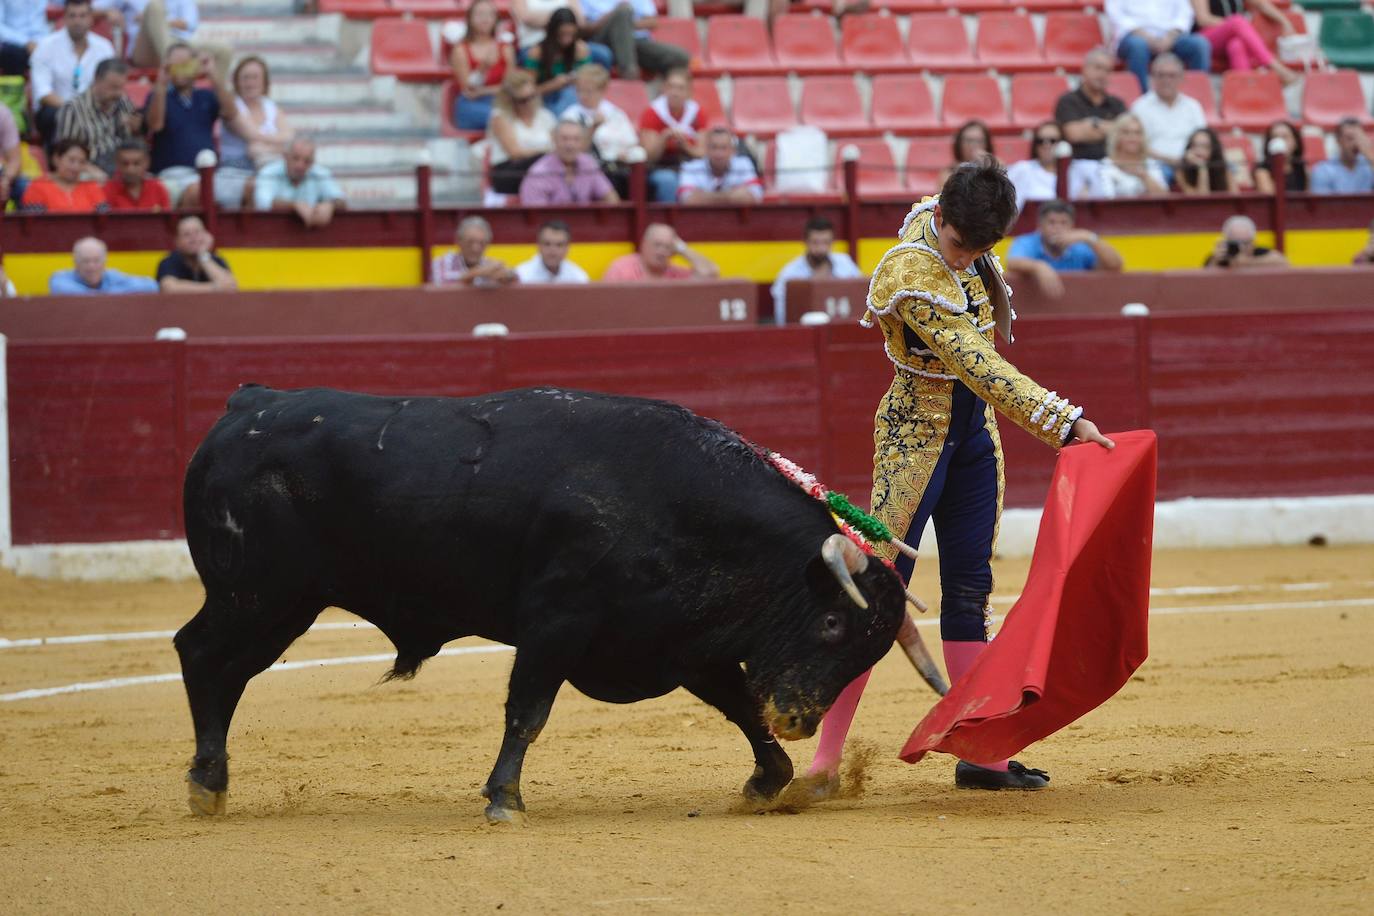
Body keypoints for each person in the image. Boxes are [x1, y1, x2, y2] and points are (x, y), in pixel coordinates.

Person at [793, 160, 1115, 799]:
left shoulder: (954, 218)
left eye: (980, 250)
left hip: (972, 439)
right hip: (915, 437)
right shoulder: (911, 274)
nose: (966, 260)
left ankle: (982, 755)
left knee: (971, 590)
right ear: (939, 219)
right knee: (879, 595)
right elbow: (980, 365)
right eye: (959, 245)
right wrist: (1066, 420)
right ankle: (824, 763)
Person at [144, 42, 240, 208]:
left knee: (243, 189)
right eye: (176, 65)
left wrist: (212, 74)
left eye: (186, 64)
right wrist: (161, 84)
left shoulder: (206, 95)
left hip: (206, 173)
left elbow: (231, 112)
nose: (181, 70)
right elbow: (155, 125)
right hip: (170, 175)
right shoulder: (157, 95)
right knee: (198, 192)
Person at [29, 0, 116, 148]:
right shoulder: (46, 46)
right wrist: (77, 108)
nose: (77, 21)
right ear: (64, 18)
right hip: (59, 107)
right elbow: (43, 93)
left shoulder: (104, 47)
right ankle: (56, 161)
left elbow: (110, 85)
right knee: (53, 114)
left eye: (82, 16)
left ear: (91, 19)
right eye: (72, 16)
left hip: (95, 107)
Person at [1007, 199, 1124, 298]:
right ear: (1040, 226)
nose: (1058, 228)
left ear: (1072, 226)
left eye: (1064, 223)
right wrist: (1038, 267)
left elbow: (1115, 265)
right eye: (1052, 223)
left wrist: (1089, 237)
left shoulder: (1079, 248)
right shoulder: (1027, 242)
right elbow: (1012, 263)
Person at [55, 57, 141, 179]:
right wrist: (89, 168)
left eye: (121, 88)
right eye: (113, 87)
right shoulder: (73, 109)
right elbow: (64, 154)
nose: (118, 93)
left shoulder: (123, 102)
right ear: (97, 80)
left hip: (122, 163)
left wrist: (136, 128)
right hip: (90, 165)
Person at [769, 216, 863, 324]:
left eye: (826, 242)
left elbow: (861, 296)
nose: (821, 249)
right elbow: (782, 318)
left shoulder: (845, 264)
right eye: (815, 242)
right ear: (805, 242)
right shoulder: (790, 274)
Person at [94, 0, 231, 75]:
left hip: (176, 42)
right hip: (143, 49)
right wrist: (108, 12)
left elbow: (189, 24)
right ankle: (175, 64)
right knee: (155, 6)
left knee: (224, 50)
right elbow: (93, 8)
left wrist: (155, 20)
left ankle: (217, 103)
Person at [1107, 0, 1211, 93]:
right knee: (1138, 46)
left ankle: (1197, 98)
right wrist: (1147, 37)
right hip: (1133, 35)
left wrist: (1170, 37)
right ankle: (1141, 99)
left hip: (1171, 36)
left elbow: (1185, 14)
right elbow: (1116, 16)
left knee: (1199, 44)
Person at [1129, 53, 1207, 172]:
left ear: (1181, 78)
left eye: (1171, 76)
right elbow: (1136, 146)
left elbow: (1203, 140)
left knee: (1227, 169)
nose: (1166, 80)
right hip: (1156, 165)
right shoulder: (1140, 107)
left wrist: (1192, 158)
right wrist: (1172, 160)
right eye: (1161, 75)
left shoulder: (1193, 106)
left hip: (1191, 163)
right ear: (1153, 77)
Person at [638, 66, 706, 203]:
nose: (675, 93)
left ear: (689, 92)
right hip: (661, 166)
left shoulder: (697, 113)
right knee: (667, 180)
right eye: (671, 87)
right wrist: (664, 138)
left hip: (689, 165)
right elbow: (648, 158)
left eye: (680, 88)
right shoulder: (652, 113)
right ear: (664, 89)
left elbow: (703, 152)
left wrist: (685, 146)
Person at [1190, 0, 1298, 85]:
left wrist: (1284, 21)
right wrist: (1232, 25)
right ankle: (1274, 66)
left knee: (1237, 45)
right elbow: (1203, 19)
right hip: (1205, 38)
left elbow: (1261, 4)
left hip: (1231, 36)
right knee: (1238, 21)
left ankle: (1245, 91)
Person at [487, 69, 558, 195]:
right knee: (548, 162)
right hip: (510, 171)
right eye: (523, 100)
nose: (529, 103)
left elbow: (558, 146)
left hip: (546, 167)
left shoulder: (546, 116)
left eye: (532, 96)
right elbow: (515, 153)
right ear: (511, 101)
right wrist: (546, 153)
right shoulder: (501, 117)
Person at [579, 0, 689, 82]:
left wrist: (624, 25)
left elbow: (653, 21)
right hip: (603, 40)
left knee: (679, 57)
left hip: (635, 41)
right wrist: (613, 17)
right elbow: (582, 28)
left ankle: (666, 102)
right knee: (623, 10)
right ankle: (629, 73)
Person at [220, 56, 294, 174]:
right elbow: (252, 136)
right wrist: (280, 146)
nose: (250, 83)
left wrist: (270, 148)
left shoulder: (270, 105)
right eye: (245, 78)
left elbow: (289, 136)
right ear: (237, 81)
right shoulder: (232, 106)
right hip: (235, 166)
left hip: (268, 163)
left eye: (255, 77)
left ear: (264, 81)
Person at [449, 0, 515, 132]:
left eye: (490, 14)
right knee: (501, 119)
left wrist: (484, 91)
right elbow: (468, 89)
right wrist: (483, 68)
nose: (485, 19)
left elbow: (511, 85)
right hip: (472, 105)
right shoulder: (460, 49)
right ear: (469, 19)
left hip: (500, 102)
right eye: (480, 14)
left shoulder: (505, 48)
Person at [253, 136, 346, 227]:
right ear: (285, 157)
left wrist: (330, 205)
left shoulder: (319, 173)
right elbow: (263, 203)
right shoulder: (269, 172)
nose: (300, 165)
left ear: (313, 162)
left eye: (307, 161)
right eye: (295, 158)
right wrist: (294, 205)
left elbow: (340, 200)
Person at [519, 120, 619, 205]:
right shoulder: (538, 173)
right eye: (564, 139)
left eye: (576, 139)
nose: (570, 145)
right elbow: (535, 216)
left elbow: (612, 199)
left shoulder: (588, 163)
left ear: (583, 142)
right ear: (554, 140)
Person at [1054, 49, 1128, 162]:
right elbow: (1074, 134)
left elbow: (1125, 134)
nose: (1102, 74)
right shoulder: (1068, 101)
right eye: (1098, 68)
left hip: (1112, 165)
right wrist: (1112, 128)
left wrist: (1093, 124)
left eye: (1107, 70)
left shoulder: (1117, 103)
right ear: (1084, 70)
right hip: (1077, 164)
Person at [560, 63, 638, 164]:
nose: (582, 95)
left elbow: (631, 141)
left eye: (588, 91)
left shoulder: (615, 113)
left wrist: (624, 153)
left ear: (602, 90)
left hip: (620, 166)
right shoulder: (570, 115)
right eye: (579, 90)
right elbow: (571, 151)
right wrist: (593, 128)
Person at [524, 8, 591, 116]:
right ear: (553, 32)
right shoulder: (537, 52)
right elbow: (527, 93)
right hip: (543, 98)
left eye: (570, 35)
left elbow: (589, 82)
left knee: (570, 93)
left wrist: (575, 80)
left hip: (573, 95)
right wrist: (552, 85)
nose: (567, 40)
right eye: (562, 34)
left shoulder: (580, 49)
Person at [512, 0, 611, 71]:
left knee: (603, 54)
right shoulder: (535, 52)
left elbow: (579, 21)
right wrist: (561, 16)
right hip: (532, 44)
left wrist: (539, 18)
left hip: (567, 43)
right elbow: (525, 18)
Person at [603, 222, 719, 281]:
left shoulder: (675, 273)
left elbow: (711, 272)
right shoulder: (622, 268)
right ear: (644, 245)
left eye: (668, 247)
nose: (661, 251)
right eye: (657, 245)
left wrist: (682, 248)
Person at [677, 126, 763, 205]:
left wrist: (704, 195)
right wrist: (732, 195)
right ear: (706, 150)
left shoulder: (744, 163)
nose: (719, 154)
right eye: (714, 147)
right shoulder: (690, 167)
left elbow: (755, 197)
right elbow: (688, 200)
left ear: (732, 151)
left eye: (723, 148)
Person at [1091, 113, 1169, 198]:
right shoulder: (1105, 165)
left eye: (1137, 133)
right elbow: (1106, 199)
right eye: (1126, 133)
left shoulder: (1151, 164)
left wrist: (1143, 176)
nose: (1133, 138)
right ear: (1116, 136)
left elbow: (1165, 199)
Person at [49, 236, 159, 295]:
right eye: (85, 261)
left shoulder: (111, 276)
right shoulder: (61, 279)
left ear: (104, 262)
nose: (91, 267)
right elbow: (60, 288)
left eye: (96, 261)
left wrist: (103, 294)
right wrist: (108, 295)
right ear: (75, 263)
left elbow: (151, 285)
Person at [21, 138, 108, 212]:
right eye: (71, 160)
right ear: (56, 159)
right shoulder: (39, 186)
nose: (76, 167)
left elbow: (104, 220)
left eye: (82, 162)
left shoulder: (91, 187)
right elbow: (34, 224)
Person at [432, 215, 518, 287]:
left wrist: (508, 276)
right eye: (470, 242)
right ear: (458, 241)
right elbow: (442, 287)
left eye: (481, 243)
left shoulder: (490, 266)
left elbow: (516, 280)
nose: (475, 248)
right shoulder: (442, 263)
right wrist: (479, 272)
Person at [157, 214, 236, 292]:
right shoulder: (169, 262)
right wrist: (215, 288)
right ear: (177, 242)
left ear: (207, 235)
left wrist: (203, 256)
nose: (193, 238)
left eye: (197, 232)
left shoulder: (216, 260)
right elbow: (169, 288)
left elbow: (230, 286)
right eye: (186, 234)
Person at [103, 138, 171, 210]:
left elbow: (167, 220)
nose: (130, 170)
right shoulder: (107, 191)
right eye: (125, 164)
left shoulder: (158, 189)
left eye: (136, 163)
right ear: (117, 164)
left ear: (147, 163)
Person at [514, 219, 590, 283]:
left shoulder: (578, 277)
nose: (553, 250)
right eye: (547, 244)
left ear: (567, 248)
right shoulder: (521, 275)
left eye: (559, 245)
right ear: (538, 246)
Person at [1310, 119, 1374, 195]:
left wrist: (1371, 157)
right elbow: (1321, 204)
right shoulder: (1323, 170)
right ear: (1338, 140)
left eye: (1359, 139)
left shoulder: (1370, 166)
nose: (1355, 143)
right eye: (1350, 138)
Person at [1202, 214, 1288, 268]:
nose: (1240, 247)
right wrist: (1217, 260)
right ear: (1226, 242)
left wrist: (1245, 262)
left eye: (1245, 243)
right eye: (1235, 243)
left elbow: (1283, 263)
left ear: (1253, 243)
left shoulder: (1264, 254)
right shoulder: (1221, 257)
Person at [1176, 127, 1237, 194]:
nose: (1199, 151)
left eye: (1205, 146)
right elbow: (1201, 201)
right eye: (1194, 145)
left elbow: (1236, 197)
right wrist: (1202, 169)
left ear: (1214, 149)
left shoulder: (1223, 168)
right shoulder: (1182, 171)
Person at [1252, 120, 1307, 194]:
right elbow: (1271, 197)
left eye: (1285, 137)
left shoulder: (1302, 168)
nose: (1279, 141)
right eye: (1274, 137)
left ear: (1295, 142)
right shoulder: (1262, 170)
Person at [937, 120, 993, 189]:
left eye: (979, 141)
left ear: (987, 144)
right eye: (969, 140)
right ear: (959, 144)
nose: (974, 145)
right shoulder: (948, 173)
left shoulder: (995, 165)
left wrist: (989, 164)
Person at [0, 0, 49, 76]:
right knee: (13, 54)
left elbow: (40, 23)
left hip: (40, 40)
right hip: (13, 42)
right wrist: (26, 42)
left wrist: (42, 42)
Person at [0, 101, 22, 205]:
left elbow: (14, 159)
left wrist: (6, 180)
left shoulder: (2, 113)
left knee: (24, 186)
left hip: (1, 172)